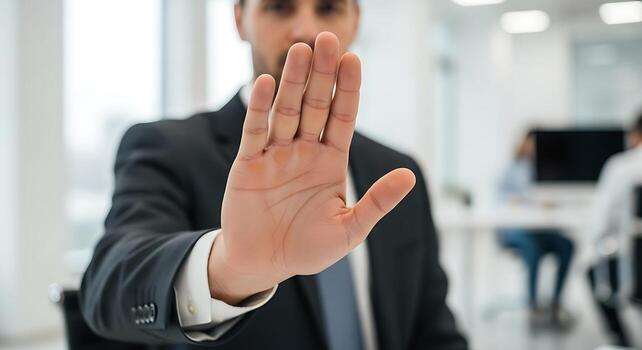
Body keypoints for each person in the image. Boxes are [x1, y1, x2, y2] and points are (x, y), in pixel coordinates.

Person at [79, 0, 468, 349]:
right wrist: (228, 270)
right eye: (279, 7)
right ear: (239, 19)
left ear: (356, 20)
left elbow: (433, 330)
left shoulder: (396, 176)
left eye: (329, 8)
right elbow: (108, 286)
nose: (304, 31)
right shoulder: (169, 149)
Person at [496, 131, 575, 327]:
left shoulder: (550, 170)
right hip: (516, 230)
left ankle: (556, 302)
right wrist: (518, 201)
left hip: (542, 229)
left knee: (567, 245)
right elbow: (499, 199)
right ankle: (532, 304)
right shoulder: (512, 169)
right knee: (532, 247)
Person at [587, 112, 642, 347]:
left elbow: (599, 227)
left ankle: (622, 342)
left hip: (636, 269)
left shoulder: (622, 168)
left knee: (591, 269)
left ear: (636, 135)